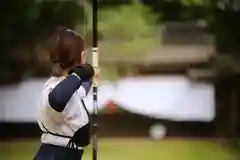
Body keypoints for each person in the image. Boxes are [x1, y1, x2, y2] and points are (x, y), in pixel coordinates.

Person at [34, 27, 95, 160]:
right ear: (82, 55)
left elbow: (79, 92)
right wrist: (79, 74)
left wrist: (89, 78)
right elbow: (58, 99)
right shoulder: (56, 88)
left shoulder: (61, 85)